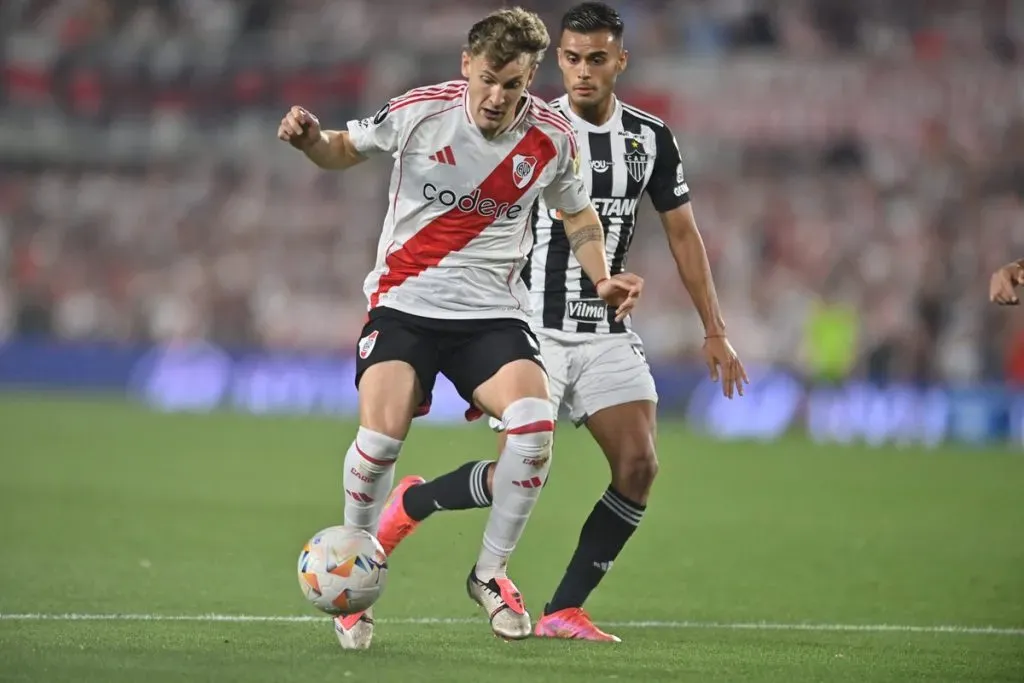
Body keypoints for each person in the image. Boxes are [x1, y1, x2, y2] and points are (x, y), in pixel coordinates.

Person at [371, 2, 747, 642]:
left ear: (619, 62)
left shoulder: (649, 139)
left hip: (603, 328)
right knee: (517, 471)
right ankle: (416, 503)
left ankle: (564, 608)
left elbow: (683, 234)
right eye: (570, 58)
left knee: (640, 465)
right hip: (527, 324)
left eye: (595, 59)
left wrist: (713, 326)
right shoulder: (529, 125)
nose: (580, 71)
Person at [277, 6, 644, 649]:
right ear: (466, 67)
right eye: (489, 80)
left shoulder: (553, 137)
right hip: (404, 305)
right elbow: (342, 148)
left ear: (532, 78)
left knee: (533, 426)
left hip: (492, 316)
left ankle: (491, 573)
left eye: (515, 85)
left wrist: (602, 274)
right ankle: (354, 577)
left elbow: (577, 214)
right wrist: (311, 140)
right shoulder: (421, 112)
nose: (498, 97)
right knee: (381, 439)